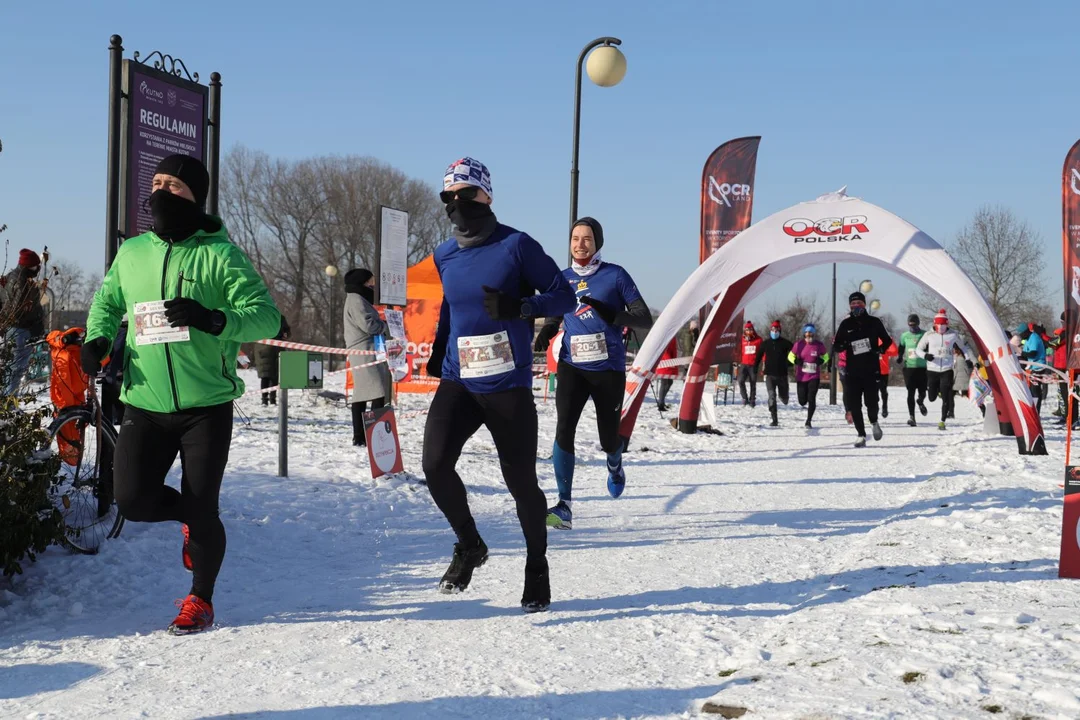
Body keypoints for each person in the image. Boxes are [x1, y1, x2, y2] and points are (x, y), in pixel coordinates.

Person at [82, 154, 280, 634]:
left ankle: (201, 600)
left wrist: (213, 319)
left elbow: (267, 317)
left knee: (203, 503)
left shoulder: (221, 254)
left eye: (174, 185)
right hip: (144, 401)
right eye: (156, 183)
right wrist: (97, 338)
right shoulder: (133, 253)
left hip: (205, 406)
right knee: (131, 500)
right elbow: (107, 303)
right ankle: (188, 518)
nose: (161, 192)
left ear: (195, 196)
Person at [421, 157, 575, 613]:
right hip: (458, 379)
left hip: (506, 384)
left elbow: (564, 296)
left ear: (487, 195)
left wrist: (522, 306)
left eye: (466, 195)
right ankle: (470, 544)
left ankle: (536, 564)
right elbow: (451, 306)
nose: (457, 204)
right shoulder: (444, 254)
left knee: (520, 482)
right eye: (448, 197)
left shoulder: (517, 246)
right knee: (434, 465)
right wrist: (438, 346)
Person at [533, 217, 653, 530]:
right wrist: (546, 330)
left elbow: (643, 318)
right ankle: (564, 505)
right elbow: (555, 313)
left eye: (587, 238)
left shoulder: (615, 275)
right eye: (575, 238)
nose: (580, 244)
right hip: (572, 366)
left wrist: (613, 315)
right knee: (563, 429)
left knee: (607, 438)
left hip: (608, 369)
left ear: (597, 242)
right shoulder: (562, 278)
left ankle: (615, 465)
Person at [832, 291, 892, 447]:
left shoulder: (874, 322)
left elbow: (887, 340)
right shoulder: (846, 324)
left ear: (864, 304)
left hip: (871, 369)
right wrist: (843, 346)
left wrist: (880, 349)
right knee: (855, 404)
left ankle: (874, 421)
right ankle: (861, 434)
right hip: (852, 371)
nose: (856, 306)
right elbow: (836, 345)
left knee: (872, 403)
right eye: (853, 304)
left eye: (859, 303)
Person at [343, 269, 390, 446]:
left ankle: (361, 436)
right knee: (376, 390)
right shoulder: (356, 300)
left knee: (363, 392)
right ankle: (371, 434)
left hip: (365, 350)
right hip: (364, 350)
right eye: (370, 282)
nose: (373, 285)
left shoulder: (356, 299)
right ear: (362, 282)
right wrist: (384, 325)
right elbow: (368, 325)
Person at [915, 309, 975, 430]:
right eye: (939, 324)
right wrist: (925, 355)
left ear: (947, 324)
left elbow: (964, 347)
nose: (941, 327)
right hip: (932, 369)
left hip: (947, 369)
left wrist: (968, 359)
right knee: (931, 397)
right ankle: (933, 392)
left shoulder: (953, 334)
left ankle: (942, 421)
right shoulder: (929, 335)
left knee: (947, 395)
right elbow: (918, 349)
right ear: (934, 324)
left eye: (943, 324)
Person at [1, 249, 46, 395]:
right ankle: (9, 403)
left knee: (11, 367)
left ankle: (7, 401)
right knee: (17, 369)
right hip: (21, 330)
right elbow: (18, 308)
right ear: (29, 266)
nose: (37, 269)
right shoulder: (22, 282)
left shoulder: (12, 277)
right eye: (35, 266)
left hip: (14, 329)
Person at [788, 324, 828, 429]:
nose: (808, 334)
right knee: (802, 401)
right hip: (801, 377)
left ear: (814, 334)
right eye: (807, 332)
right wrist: (796, 361)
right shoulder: (798, 344)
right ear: (804, 334)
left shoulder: (819, 345)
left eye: (810, 332)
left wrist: (822, 360)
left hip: (814, 376)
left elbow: (826, 356)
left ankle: (808, 420)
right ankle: (804, 403)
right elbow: (790, 356)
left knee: (811, 398)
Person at [896, 314, 929, 426]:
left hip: (922, 368)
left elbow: (930, 347)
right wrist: (900, 357)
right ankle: (912, 417)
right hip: (909, 368)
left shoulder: (925, 334)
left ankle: (920, 402)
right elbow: (901, 348)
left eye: (914, 325)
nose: (912, 327)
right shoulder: (904, 336)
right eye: (910, 325)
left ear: (918, 323)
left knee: (923, 392)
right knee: (910, 393)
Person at [759, 320, 793, 427]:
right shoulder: (766, 344)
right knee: (772, 396)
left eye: (776, 329)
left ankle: (784, 396)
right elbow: (758, 356)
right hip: (770, 375)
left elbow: (795, 353)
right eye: (773, 329)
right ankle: (774, 418)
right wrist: (755, 367)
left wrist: (789, 363)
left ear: (780, 331)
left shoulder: (785, 343)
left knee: (784, 398)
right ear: (770, 330)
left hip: (782, 375)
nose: (774, 331)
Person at [253, 317, 291, 406]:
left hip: (260, 348)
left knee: (264, 375)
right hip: (275, 348)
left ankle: (264, 400)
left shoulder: (259, 317)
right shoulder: (279, 317)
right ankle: (272, 399)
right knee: (274, 376)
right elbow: (287, 332)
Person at [1015, 322, 1047, 415]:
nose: (1021, 336)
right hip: (1032, 367)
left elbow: (1032, 353)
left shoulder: (1034, 338)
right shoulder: (1028, 340)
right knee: (1031, 391)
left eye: (1021, 334)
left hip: (1039, 366)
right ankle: (1034, 411)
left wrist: (1020, 352)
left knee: (1035, 390)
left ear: (1025, 332)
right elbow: (1025, 354)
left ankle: (1037, 412)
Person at [737, 321, 763, 407]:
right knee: (740, 380)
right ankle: (744, 397)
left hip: (753, 365)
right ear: (745, 331)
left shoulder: (758, 340)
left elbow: (763, 352)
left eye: (750, 330)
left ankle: (752, 399)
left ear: (753, 330)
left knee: (753, 382)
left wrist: (764, 363)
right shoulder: (742, 339)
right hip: (744, 364)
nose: (749, 332)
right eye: (747, 330)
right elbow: (737, 351)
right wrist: (735, 360)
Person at [655, 335, 680, 412]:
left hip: (669, 363)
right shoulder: (667, 336)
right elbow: (665, 351)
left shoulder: (672, 336)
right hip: (666, 364)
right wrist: (670, 362)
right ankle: (661, 404)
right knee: (665, 383)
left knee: (669, 382)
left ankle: (662, 401)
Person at [877, 333, 898, 418]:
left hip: (883, 372)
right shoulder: (869, 338)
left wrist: (890, 339)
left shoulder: (884, 340)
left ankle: (884, 406)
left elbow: (894, 352)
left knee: (883, 391)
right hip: (871, 371)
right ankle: (873, 410)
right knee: (872, 393)